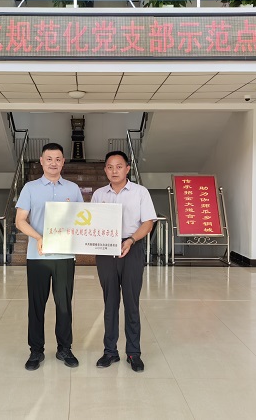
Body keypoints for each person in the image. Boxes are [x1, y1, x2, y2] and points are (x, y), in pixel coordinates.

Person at [15, 142, 84, 371]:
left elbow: (83, 219)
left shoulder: (73, 189)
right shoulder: (30, 188)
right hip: (38, 256)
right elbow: (20, 221)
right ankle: (36, 350)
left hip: (65, 256)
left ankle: (65, 348)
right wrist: (38, 237)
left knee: (64, 305)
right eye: (49, 159)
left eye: (58, 159)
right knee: (36, 305)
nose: (53, 163)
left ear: (63, 162)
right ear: (42, 161)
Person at [91, 151, 157, 372]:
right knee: (110, 302)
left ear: (127, 169)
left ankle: (133, 353)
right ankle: (110, 351)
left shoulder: (140, 192)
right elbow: (91, 223)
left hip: (132, 247)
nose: (114, 171)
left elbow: (148, 223)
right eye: (110, 167)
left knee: (131, 302)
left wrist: (130, 240)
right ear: (105, 170)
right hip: (105, 250)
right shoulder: (99, 194)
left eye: (119, 166)